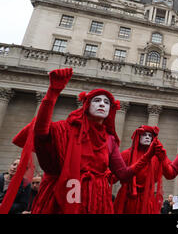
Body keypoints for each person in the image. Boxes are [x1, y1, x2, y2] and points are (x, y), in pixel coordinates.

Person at [16, 68, 159, 214]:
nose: (102, 104)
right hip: (68, 189)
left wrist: (148, 156)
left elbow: (123, 173)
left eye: (106, 102)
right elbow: (41, 132)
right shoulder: (67, 128)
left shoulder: (109, 139)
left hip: (96, 199)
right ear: (86, 105)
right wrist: (53, 92)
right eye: (97, 100)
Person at [113, 125, 166, 214]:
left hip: (146, 198)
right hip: (128, 197)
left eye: (150, 136)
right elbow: (115, 175)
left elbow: (156, 178)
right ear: (138, 136)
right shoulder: (126, 154)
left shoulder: (155, 158)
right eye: (144, 135)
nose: (147, 137)